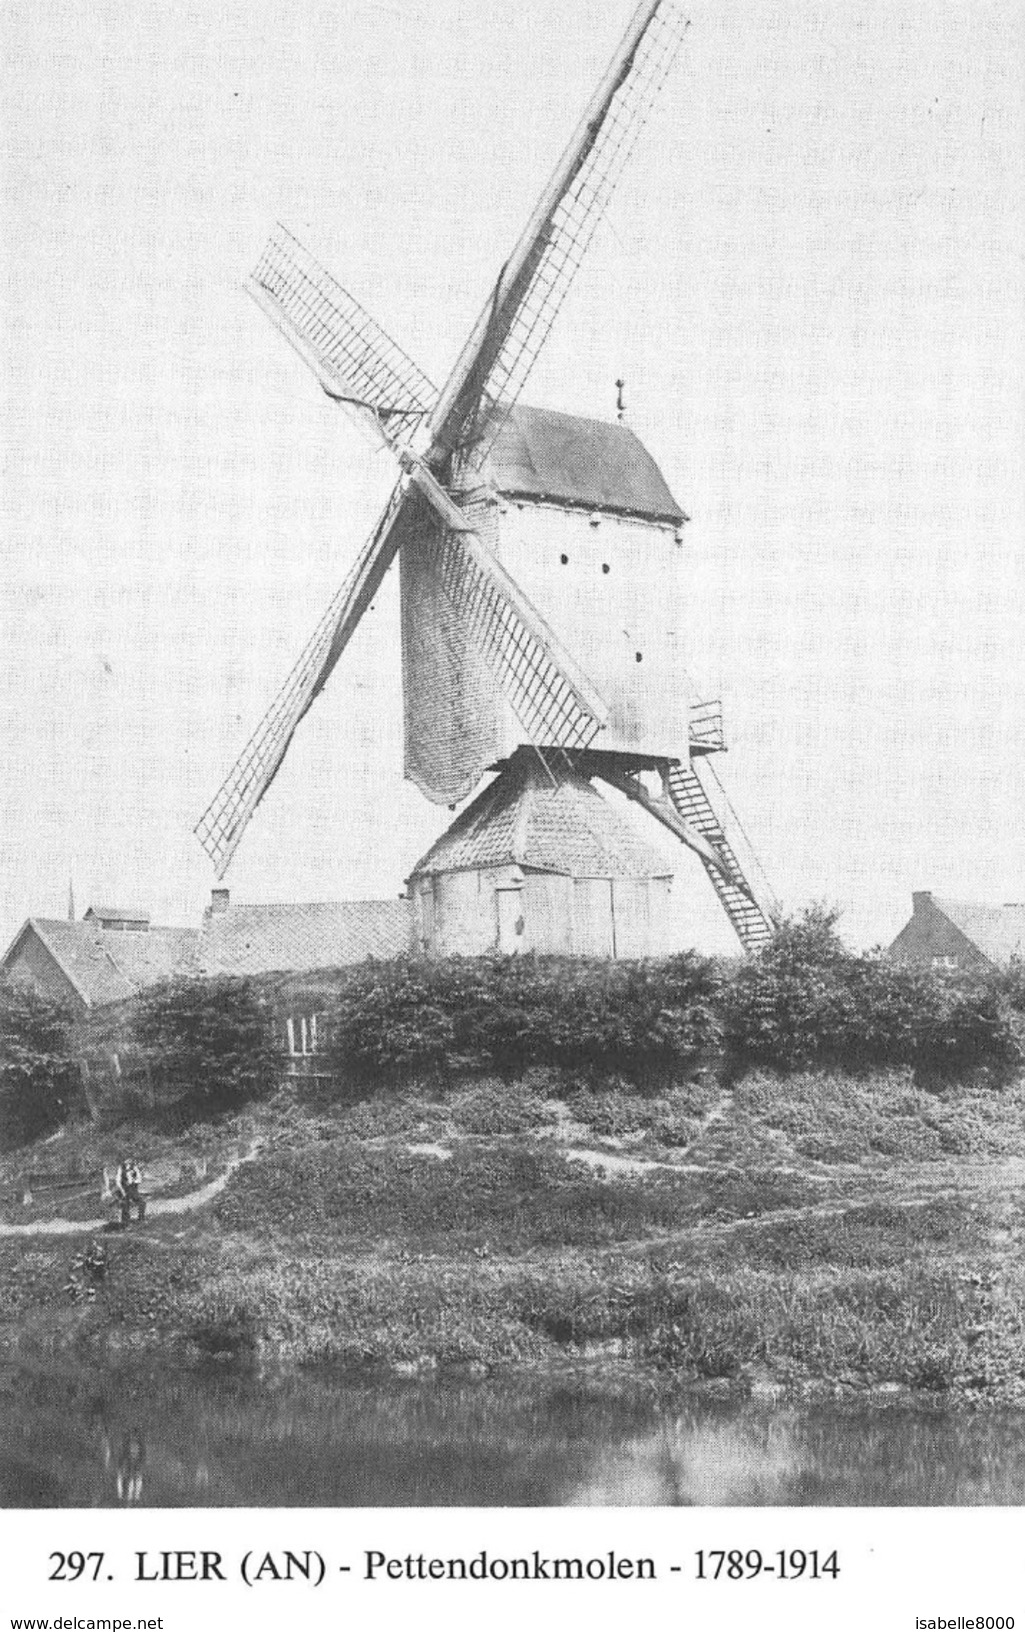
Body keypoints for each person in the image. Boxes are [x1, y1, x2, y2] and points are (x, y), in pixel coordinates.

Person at [114, 1156, 145, 1226]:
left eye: (129, 1159)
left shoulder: (134, 1167)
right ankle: (125, 1222)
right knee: (125, 1204)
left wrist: (134, 1181)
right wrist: (122, 1191)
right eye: (126, 1159)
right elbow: (118, 1181)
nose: (128, 1161)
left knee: (142, 1203)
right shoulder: (121, 1168)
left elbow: (139, 1179)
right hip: (123, 1188)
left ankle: (141, 1219)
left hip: (132, 1188)